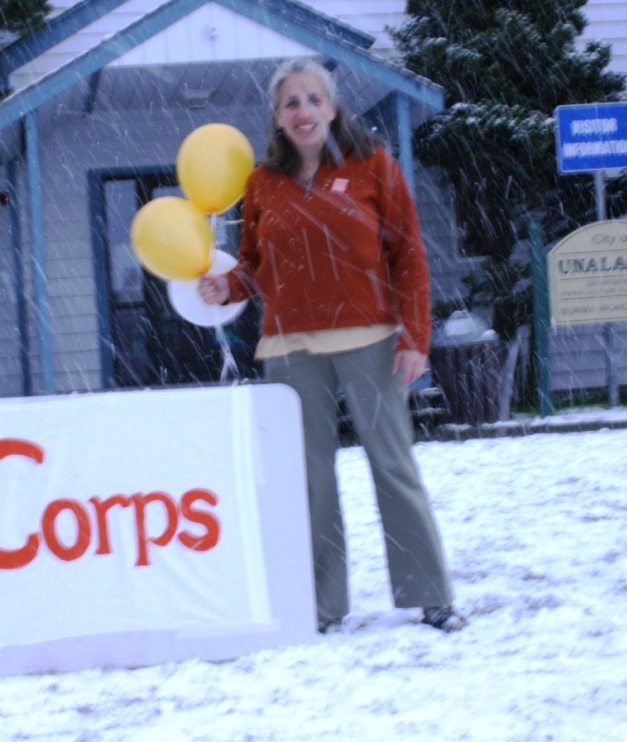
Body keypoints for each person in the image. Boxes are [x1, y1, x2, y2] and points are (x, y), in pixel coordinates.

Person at [198, 57, 465, 633]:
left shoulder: (374, 166)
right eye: (291, 102)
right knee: (308, 476)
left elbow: (410, 256)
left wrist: (416, 337)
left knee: (392, 465)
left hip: (371, 339)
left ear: (333, 107)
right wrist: (227, 287)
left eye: (313, 99)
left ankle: (430, 594)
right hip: (290, 349)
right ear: (277, 117)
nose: (303, 112)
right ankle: (321, 604)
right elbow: (254, 266)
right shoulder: (262, 183)